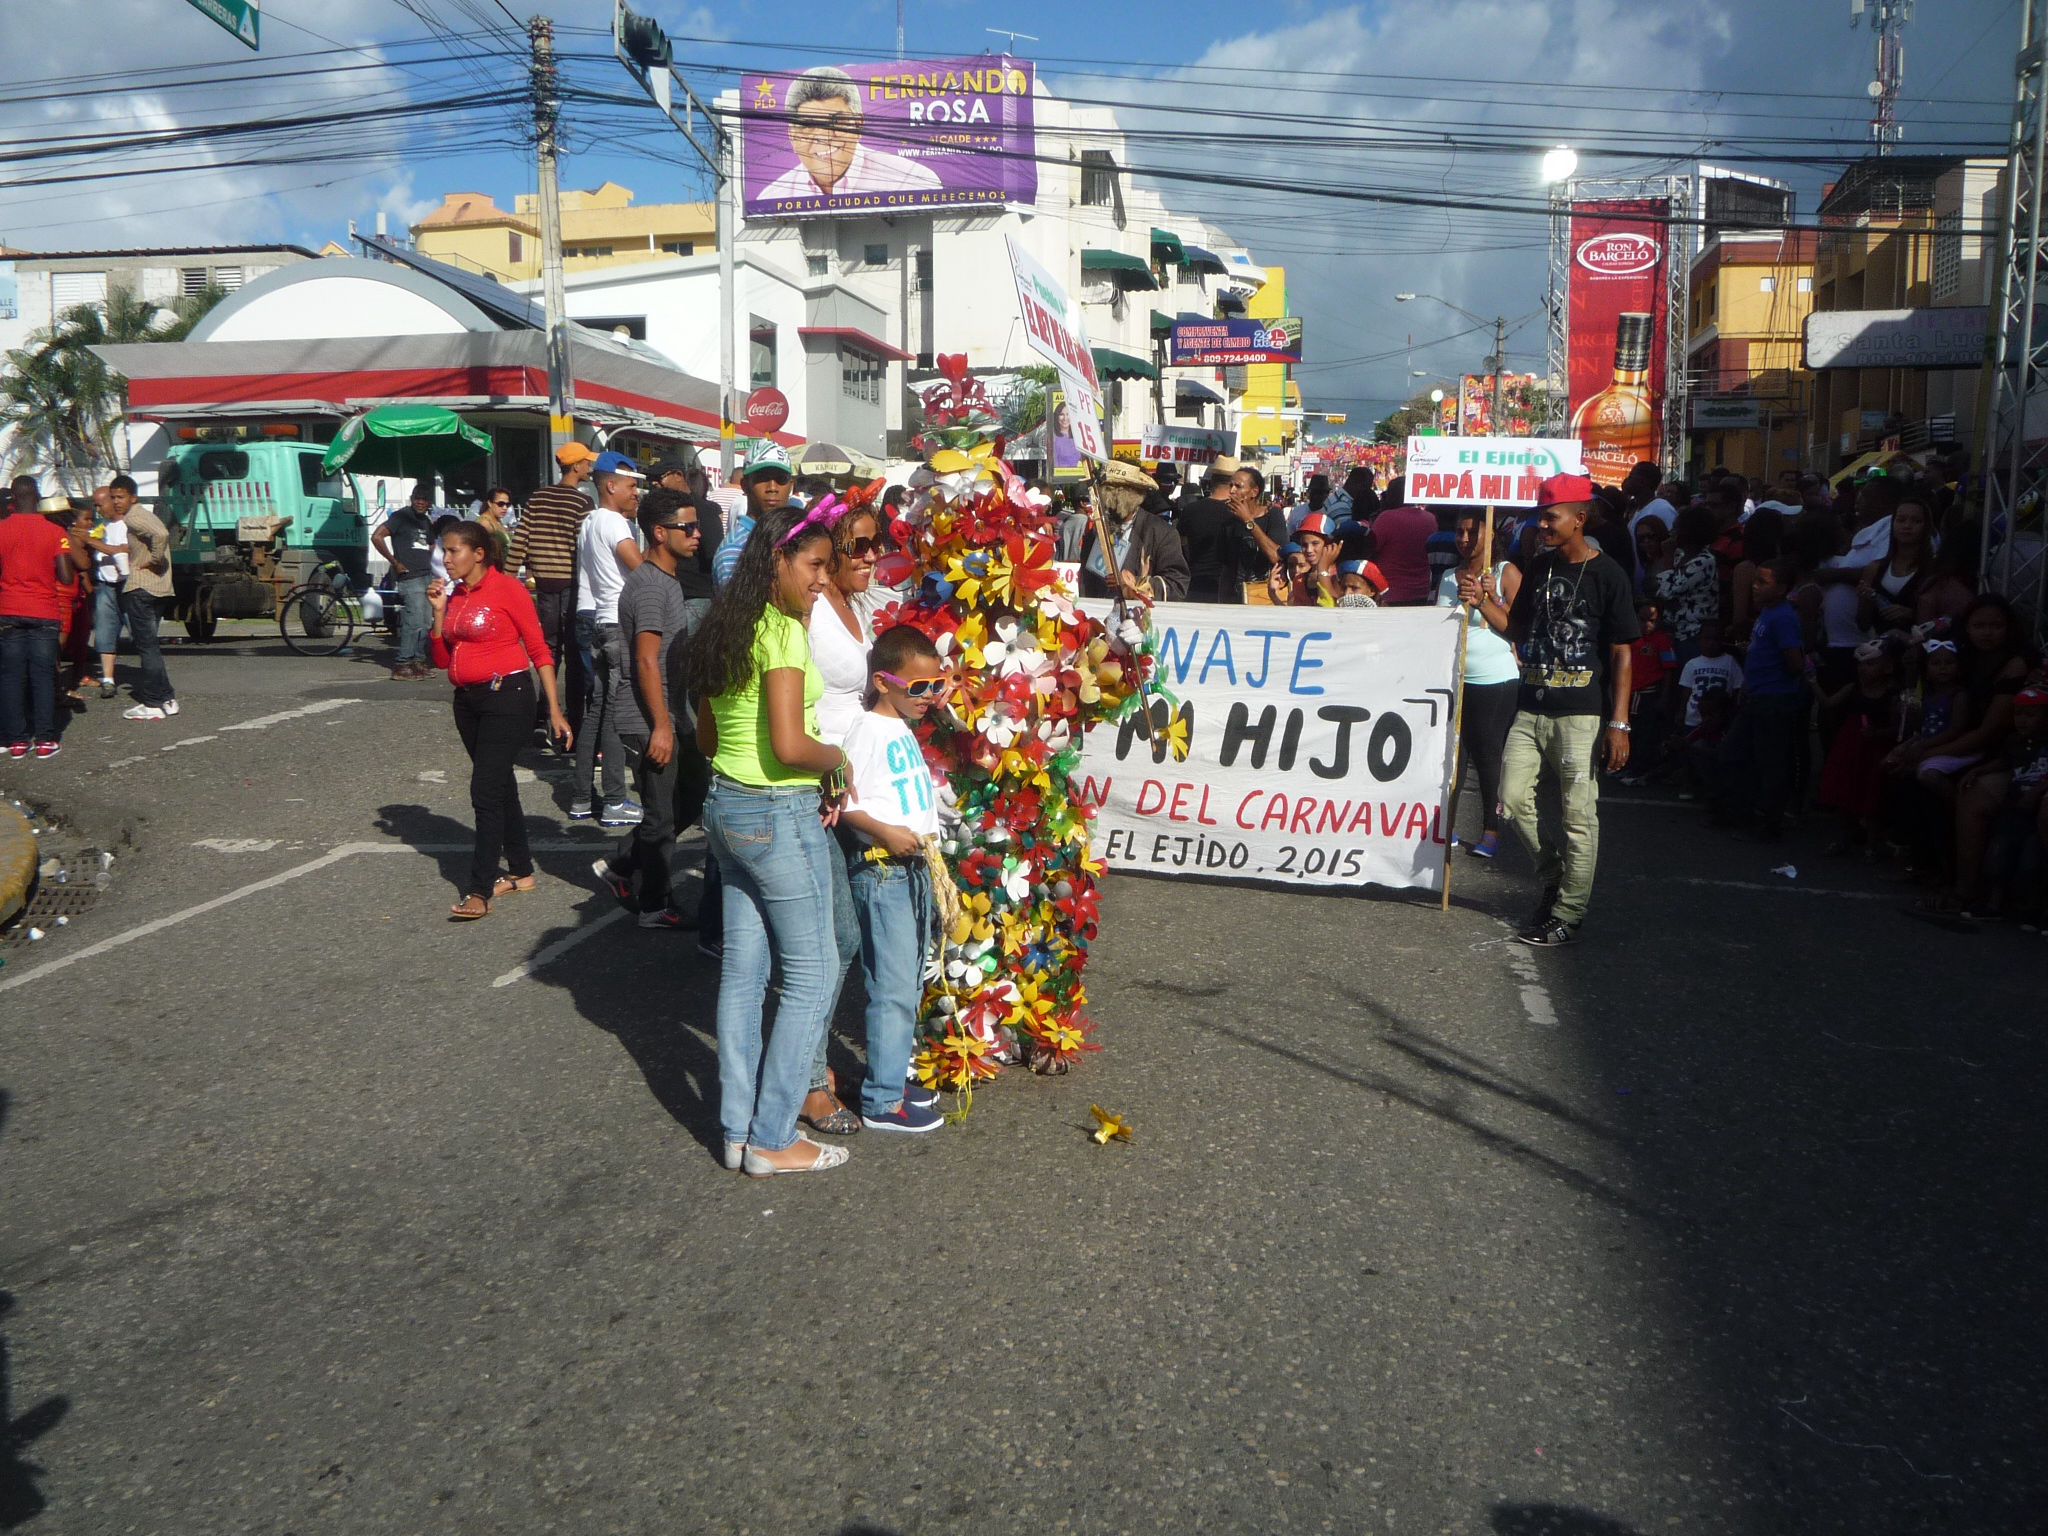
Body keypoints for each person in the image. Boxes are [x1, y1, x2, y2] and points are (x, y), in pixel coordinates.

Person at [688, 502, 852, 1177]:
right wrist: (835, 758)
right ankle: (774, 1134)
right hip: (778, 813)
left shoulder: (723, 628)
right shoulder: (780, 634)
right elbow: (789, 744)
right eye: (813, 565)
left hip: (726, 807)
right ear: (776, 561)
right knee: (813, 977)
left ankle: (736, 1129)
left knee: (743, 976)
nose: (822, 579)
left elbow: (706, 737)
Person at [1481, 473, 1640, 946]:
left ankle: (1568, 912)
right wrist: (1485, 603)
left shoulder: (1608, 574)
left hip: (1581, 714)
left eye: (1551, 517)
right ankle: (1554, 876)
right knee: (1509, 801)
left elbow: (1622, 652)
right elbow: (1515, 630)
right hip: (1531, 706)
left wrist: (1619, 722)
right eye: (1540, 516)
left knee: (1577, 814)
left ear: (1579, 519)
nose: (1542, 524)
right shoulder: (1541, 566)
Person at [427, 520, 572, 920]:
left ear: (479, 553)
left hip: (508, 697)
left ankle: (479, 888)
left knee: (485, 790)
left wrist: (554, 710)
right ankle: (522, 871)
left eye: (453, 550)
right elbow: (441, 659)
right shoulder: (453, 595)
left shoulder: (507, 589)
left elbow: (540, 650)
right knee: (499, 784)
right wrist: (439, 614)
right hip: (466, 702)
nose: (446, 558)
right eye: (444, 550)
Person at [840, 623, 951, 1133]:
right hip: (882, 871)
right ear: (882, 682)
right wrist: (885, 832)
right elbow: (845, 805)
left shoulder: (900, 726)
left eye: (936, 686)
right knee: (891, 987)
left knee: (905, 981)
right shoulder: (867, 730)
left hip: (910, 869)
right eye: (919, 687)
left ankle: (889, 1078)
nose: (929, 697)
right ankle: (882, 1101)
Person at [592, 490, 703, 928]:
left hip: (672, 714)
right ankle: (655, 905)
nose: (697, 535)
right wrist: (660, 725)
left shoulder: (666, 580)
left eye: (696, 526)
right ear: (660, 533)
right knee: (660, 818)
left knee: (692, 795)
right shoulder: (652, 587)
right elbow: (644, 660)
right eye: (687, 528)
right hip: (648, 717)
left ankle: (621, 865)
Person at [571, 451, 647, 826]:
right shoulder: (615, 522)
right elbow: (639, 566)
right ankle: (616, 800)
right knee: (617, 715)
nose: (636, 493)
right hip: (618, 625)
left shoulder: (589, 522)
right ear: (611, 485)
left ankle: (582, 797)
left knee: (596, 712)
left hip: (599, 622)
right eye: (632, 486)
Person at [1445, 509, 1522, 859]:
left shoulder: (1506, 573)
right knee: (1452, 758)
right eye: (1459, 532)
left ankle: (1491, 829)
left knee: (1488, 757)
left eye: (1472, 532)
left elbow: (1515, 627)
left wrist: (1488, 600)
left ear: (1489, 535)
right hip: (1454, 678)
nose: (1464, 539)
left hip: (1494, 680)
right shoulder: (1448, 576)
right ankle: (1447, 826)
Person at [1714, 558, 1808, 840]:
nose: (1754, 587)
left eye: (1762, 582)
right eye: (1755, 580)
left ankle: (1771, 824)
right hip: (1758, 696)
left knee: (1770, 762)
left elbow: (1794, 662)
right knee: (1736, 753)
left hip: (1774, 700)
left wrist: (1774, 683)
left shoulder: (1783, 617)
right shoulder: (1768, 614)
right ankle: (1740, 813)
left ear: (1781, 588)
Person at [507, 441, 598, 730]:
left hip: (545, 586)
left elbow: (520, 539)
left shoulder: (537, 498)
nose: (589, 467)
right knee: (574, 655)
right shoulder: (582, 502)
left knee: (547, 653)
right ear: (575, 467)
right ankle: (574, 719)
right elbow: (584, 547)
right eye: (586, 462)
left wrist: (507, 578)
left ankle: (541, 716)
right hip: (572, 585)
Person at [1, 475, 90, 758]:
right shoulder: (55, 531)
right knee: (42, 675)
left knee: (12, 676)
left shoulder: (1, 529)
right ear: (38, 497)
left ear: (13, 499)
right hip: (44, 611)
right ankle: (45, 740)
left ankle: (17, 741)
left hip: (9, 611)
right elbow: (65, 575)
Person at [759, 66, 942, 202]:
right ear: (791, 136)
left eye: (836, 122)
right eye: (807, 125)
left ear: (858, 125)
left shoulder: (913, 180)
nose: (823, 136)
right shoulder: (772, 197)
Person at [1943, 686, 2048, 920]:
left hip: (2035, 805)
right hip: (2014, 805)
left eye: (2031, 715)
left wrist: (2039, 791)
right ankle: (1993, 903)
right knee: (1999, 850)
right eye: (2019, 714)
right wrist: (1978, 770)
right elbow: (2003, 762)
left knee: (2030, 858)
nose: (2023, 720)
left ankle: (2030, 908)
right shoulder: (2014, 742)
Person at [1817, 639, 1901, 855]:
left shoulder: (1892, 696)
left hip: (1874, 749)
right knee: (1844, 792)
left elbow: (1896, 728)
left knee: (1871, 795)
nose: (1864, 669)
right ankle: (1844, 838)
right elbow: (1828, 703)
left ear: (1887, 667)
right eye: (1861, 664)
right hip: (1849, 745)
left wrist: (1877, 733)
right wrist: (1811, 681)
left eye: (1871, 664)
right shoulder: (1853, 688)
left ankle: (1873, 844)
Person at [1078, 460, 1191, 602]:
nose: (1112, 495)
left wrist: (1134, 584)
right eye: (1107, 488)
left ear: (1136, 493)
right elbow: (1086, 584)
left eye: (1119, 489)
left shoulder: (1161, 533)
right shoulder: (1096, 532)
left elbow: (1177, 584)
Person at [115, 477, 178, 723]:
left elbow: (161, 534)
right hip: (159, 588)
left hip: (142, 587)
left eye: (120, 497)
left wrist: (153, 559)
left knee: (146, 646)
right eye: (113, 497)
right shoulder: (144, 514)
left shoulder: (133, 516)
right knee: (152, 646)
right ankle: (166, 698)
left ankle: (152, 702)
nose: (116, 502)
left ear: (133, 497)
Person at [372, 482, 440, 681]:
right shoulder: (401, 516)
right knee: (412, 620)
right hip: (410, 576)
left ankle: (418, 661)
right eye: (417, 498)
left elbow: (431, 545)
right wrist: (395, 562)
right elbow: (377, 536)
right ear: (412, 499)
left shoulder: (426, 522)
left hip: (427, 574)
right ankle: (403, 663)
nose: (420, 502)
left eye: (424, 499)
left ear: (428, 502)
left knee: (425, 621)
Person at [712, 445, 794, 589]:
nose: (772, 487)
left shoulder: (794, 536)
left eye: (781, 479)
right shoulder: (735, 551)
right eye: (762, 478)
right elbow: (738, 610)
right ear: (745, 485)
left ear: (791, 486)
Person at [1652, 506, 1719, 666]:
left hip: (1692, 637)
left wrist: (1667, 555)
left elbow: (1666, 591)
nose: (1671, 532)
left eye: (1676, 528)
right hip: (1673, 634)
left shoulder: (1704, 561)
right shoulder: (1680, 556)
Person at [1859, 496, 1934, 634]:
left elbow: (1945, 617)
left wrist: (1912, 614)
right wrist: (1866, 601)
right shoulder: (1874, 568)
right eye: (1901, 520)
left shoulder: (1934, 570)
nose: (1907, 526)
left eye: (1916, 521)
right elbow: (1863, 623)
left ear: (1926, 526)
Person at [86, 481, 129, 697]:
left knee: (139, 632)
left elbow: (123, 549)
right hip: (105, 585)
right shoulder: (101, 526)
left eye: (99, 504)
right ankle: (108, 679)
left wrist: (94, 543)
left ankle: (151, 678)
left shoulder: (128, 525)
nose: (97, 509)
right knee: (104, 631)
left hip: (127, 585)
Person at [1368, 481, 1437, 606]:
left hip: (1389, 595)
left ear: (1392, 496)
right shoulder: (1430, 519)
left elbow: (1370, 549)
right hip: (1422, 594)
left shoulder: (1386, 518)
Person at [475, 487, 515, 568]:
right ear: (489, 503)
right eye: (500, 504)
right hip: (493, 572)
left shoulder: (497, 521)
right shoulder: (484, 523)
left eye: (507, 504)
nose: (505, 508)